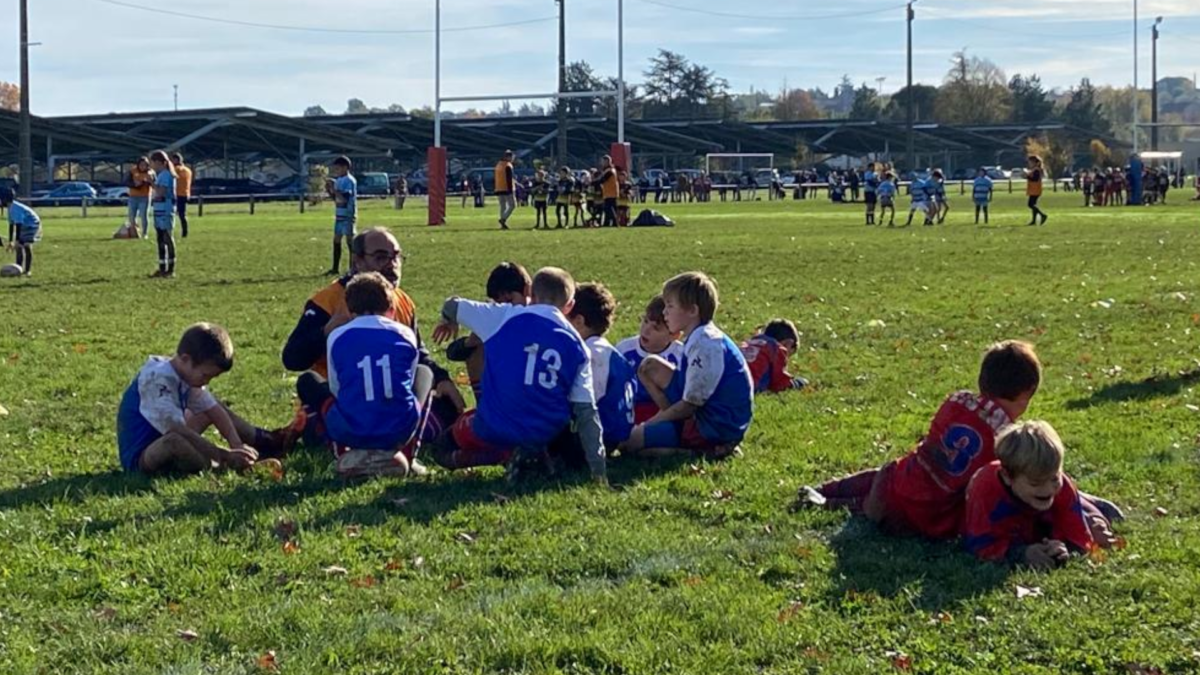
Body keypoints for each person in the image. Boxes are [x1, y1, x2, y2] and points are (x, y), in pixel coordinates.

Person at [799, 340, 1041, 540]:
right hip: (934, 513)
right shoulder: (1006, 437)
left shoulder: (957, 400)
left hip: (905, 477)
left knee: (885, 475)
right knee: (874, 505)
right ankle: (829, 503)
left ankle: (826, 490)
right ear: (1025, 394)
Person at [281, 227, 464, 450]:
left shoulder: (403, 301)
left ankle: (347, 440)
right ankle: (406, 439)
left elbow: (419, 356)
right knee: (312, 393)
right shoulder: (328, 301)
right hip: (347, 398)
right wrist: (327, 329)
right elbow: (292, 358)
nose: (391, 264)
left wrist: (442, 379)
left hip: (384, 401)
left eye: (396, 256)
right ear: (357, 261)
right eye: (381, 257)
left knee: (446, 402)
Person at [429, 267, 607, 483]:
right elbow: (587, 413)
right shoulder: (579, 347)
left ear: (531, 292)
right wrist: (599, 472)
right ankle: (530, 455)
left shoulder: (503, 316)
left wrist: (449, 319)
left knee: (441, 448)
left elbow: (451, 304)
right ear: (569, 306)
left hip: (494, 424)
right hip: (544, 433)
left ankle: (501, 456)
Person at [296, 272, 432, 478]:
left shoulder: (338, 335)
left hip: (351, 429)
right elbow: (409, 376)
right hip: (398, 428)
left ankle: (342, 455)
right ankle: (409, 454)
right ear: (392, 309)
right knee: (425, 372)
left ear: (350, 311)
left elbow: (336, 388)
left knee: (309, 381)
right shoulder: (405, 334)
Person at [116, 323, 299, 475]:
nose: (206, 381)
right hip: (143, 455)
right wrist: (223, 454)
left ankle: (264, 441)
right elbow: (176, 430)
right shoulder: (157, 379)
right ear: (186, 359)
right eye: (205, 375)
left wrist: (236, 444)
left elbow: (213, 409)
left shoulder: (185, 374)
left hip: (170, 434)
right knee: (174, 442)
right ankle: (220, 467)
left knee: (210, 409)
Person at [620, 272, 754, 460]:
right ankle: (671, 425)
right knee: (649, 366)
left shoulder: (705, 344)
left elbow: (689, 406)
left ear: (692, 311)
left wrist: (648, 425)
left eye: (670, 306)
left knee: (631, 443)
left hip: (713, 426)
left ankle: (706, 451)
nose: (665, 312)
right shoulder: (698, 335)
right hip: (703, 414)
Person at [963, 420, 1116, 568]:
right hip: (1014, 520)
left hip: (1043, 514)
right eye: (1035, 483)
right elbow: (979, 543)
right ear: (1007, 477)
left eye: (1054, 478)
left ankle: (1090, 507)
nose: (1048, 489)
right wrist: (1021, 553)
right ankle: (1086, 504)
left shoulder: (1061, 485)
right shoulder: (985, 489)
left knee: (1096, 524)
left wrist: (1062, 548)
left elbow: (1080, 537)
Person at [445, 261, 532, 402]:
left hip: (527, 398)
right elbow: (453, 353)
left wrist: (448, 319)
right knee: (477, 348)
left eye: (510, 300)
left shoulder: (506, 316)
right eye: (500, 304)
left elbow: (450, 306)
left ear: (528, 290)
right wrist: (470, 342)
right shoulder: (498, 317)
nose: (507, 307)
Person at [567, 283, 635, 449]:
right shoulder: (607, 350)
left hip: (600, 436)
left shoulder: (592, 354)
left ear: (578, 321)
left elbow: (587, 402)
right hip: (613, 433)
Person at [616, 295, 685, 425]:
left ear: (673, 335)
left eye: (656, 328)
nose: (646, 330)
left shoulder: (681, 356)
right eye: (645, 321)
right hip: (630, 409)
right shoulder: (624, 350)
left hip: (663, 411)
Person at [740, 319, 808, 394]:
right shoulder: (777, 349)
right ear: (788, 344)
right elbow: (779, 383)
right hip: (748, 386)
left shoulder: (748, 344)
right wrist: (797, 383)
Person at [325, 156, 357, 275]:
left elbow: (345, 198)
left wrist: (335, 189)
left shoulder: (350, 180)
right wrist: (330, 191)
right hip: (339, 214)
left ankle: (353, 268)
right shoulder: (339, 180)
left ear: (345, 167)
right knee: (337, 239)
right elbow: (337, 199)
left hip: (348, 214)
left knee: (350, 241)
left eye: (338, 168)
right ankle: (335, 268)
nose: (336, 170)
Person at [148, 150, 177, 278]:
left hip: (165, 209)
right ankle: (162, 267)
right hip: (159, 209)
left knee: (167, 237)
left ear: (159, 162)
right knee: (160, 237)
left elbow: (162, 192)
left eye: (152, 162)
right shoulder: (161, 174)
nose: (151, 165)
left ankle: (170, 268)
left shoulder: (165, 175)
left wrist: (152, 183)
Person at [2, 190, 39, 275]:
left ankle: (27, 270)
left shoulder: (14, 208)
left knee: (26, 245)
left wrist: (17, 240)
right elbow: (12, 224)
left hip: (32, 224)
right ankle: (18, 268)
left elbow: (18, 224)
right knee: (18, 247)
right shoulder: (10, 207)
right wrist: (11, 240)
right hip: (24, 225)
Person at [127, 156, 155, 238]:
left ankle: (144, 233)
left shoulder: (150, 172)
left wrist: (147, 181)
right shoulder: (132, 171)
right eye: (141, 165)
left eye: (144, 165)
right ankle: (134, 232)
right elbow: (126, 181)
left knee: (144, 215)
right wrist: (134, 185)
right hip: (133, 196)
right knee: (131, 216)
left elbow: (154, 184)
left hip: (144, 196)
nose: (142, 167)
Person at [170, 152, 193, 238]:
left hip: (177, 194)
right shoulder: (188, 170)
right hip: (186, 193)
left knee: (173, 213)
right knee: (182, 214)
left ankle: (172, 230)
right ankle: (185, 231)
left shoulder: (176, 169)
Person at [495, 150, 516, 230]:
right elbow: (509, 179)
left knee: (502, 206)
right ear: (508, 157)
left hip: (499, 188)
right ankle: (503, 219)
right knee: (513, 205)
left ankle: (502, 224)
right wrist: (510, 190)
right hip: (507, 188)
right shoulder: (508, 165)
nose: (513, 159)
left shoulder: (498, 164)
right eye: (512, 157)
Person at [598, 156, 619, 227]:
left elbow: (602, 180)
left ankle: (614, 222)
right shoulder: (609, 170)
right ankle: (608, 223)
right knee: (609, 208)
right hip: (609, 192)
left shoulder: (609, 170)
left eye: (605, 161)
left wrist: (595, 181)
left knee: (609, 208)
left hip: (611, 192)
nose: (603, 163)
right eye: (603, 161)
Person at [1026, 155, 1048, 226]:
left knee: (1030, 204)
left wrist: (1027, 176)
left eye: (1030, 162)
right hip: (1034, 189)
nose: (1029, 163)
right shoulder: (1035, 169)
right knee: (1033, 205)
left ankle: (1042, 215)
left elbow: (1035, 179)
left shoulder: (1036, 170)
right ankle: (1034, 221)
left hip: (1035, 190)